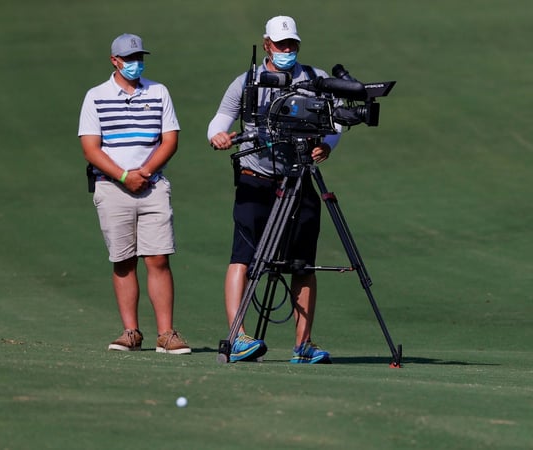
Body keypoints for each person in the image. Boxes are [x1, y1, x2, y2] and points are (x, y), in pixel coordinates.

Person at [208, 15, 339, 363]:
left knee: (303, 264)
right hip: (257, 179)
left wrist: (327, 144)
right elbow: (219, 121)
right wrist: (218, 136)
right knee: (243, 257)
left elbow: (337, 119)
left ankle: (303, 345)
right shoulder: (246, 82)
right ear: (266, 44)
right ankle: (237, 337)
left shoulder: (315, 78)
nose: (287, 51)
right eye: (281, 45)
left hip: (299, 180)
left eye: (292, 45)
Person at [78, 33, 190, 355]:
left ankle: (166, 334)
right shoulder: (96, 96)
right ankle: (131, 332)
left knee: (158, 258)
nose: (135, 64)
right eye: (129, 59)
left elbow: (170, 140)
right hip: (112, 186)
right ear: (114, 61)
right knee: (123, 260)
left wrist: (145, 173)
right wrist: (125, 176)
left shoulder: (158, 91)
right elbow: (90, 147)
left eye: (139, 58)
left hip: (152, 186)